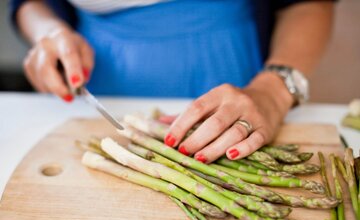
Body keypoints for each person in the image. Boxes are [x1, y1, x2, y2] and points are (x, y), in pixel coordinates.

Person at [10, 0, 335, 163]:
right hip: (98, 71)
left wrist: (274, 91)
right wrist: (48, 31)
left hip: (231, 63)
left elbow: (308, 4)